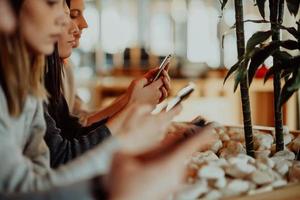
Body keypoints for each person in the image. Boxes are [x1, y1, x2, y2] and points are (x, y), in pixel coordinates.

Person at [44, 0, 172, 168]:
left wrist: (130, 100)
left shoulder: (55, 71)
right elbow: (63, 155)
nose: (80, 26)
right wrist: (132, 106)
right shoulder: (31, 83)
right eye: (72, 15)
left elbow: (75, 130)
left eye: (70, 16)